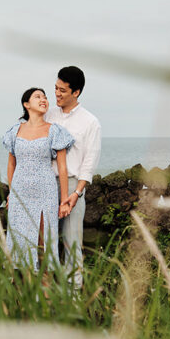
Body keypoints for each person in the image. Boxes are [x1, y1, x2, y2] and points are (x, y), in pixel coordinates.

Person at [2, 87, 75, 271]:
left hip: (45, 192)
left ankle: (45, 294)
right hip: (20, 193)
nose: (43, 100)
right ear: (26, 104)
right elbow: (11, 165)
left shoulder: (55, 131)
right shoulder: (14, 131)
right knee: (21, 241)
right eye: (38, 97)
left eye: (45, 97)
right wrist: (12, 193)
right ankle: (23, 294)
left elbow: (62, 167)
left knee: (43, 243)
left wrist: (64, 199)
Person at [46, 66, 100, 289]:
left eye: (63, 91)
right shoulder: (47, 115)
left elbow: (90, 161)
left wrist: (76, 193)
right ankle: (45, 293)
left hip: (72, 186)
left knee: (71, 241)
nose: (57, 94)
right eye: (56, 89)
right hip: (46, 183)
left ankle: (74, 296)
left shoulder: (90, 122)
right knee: (45, 241)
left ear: (76, 92)